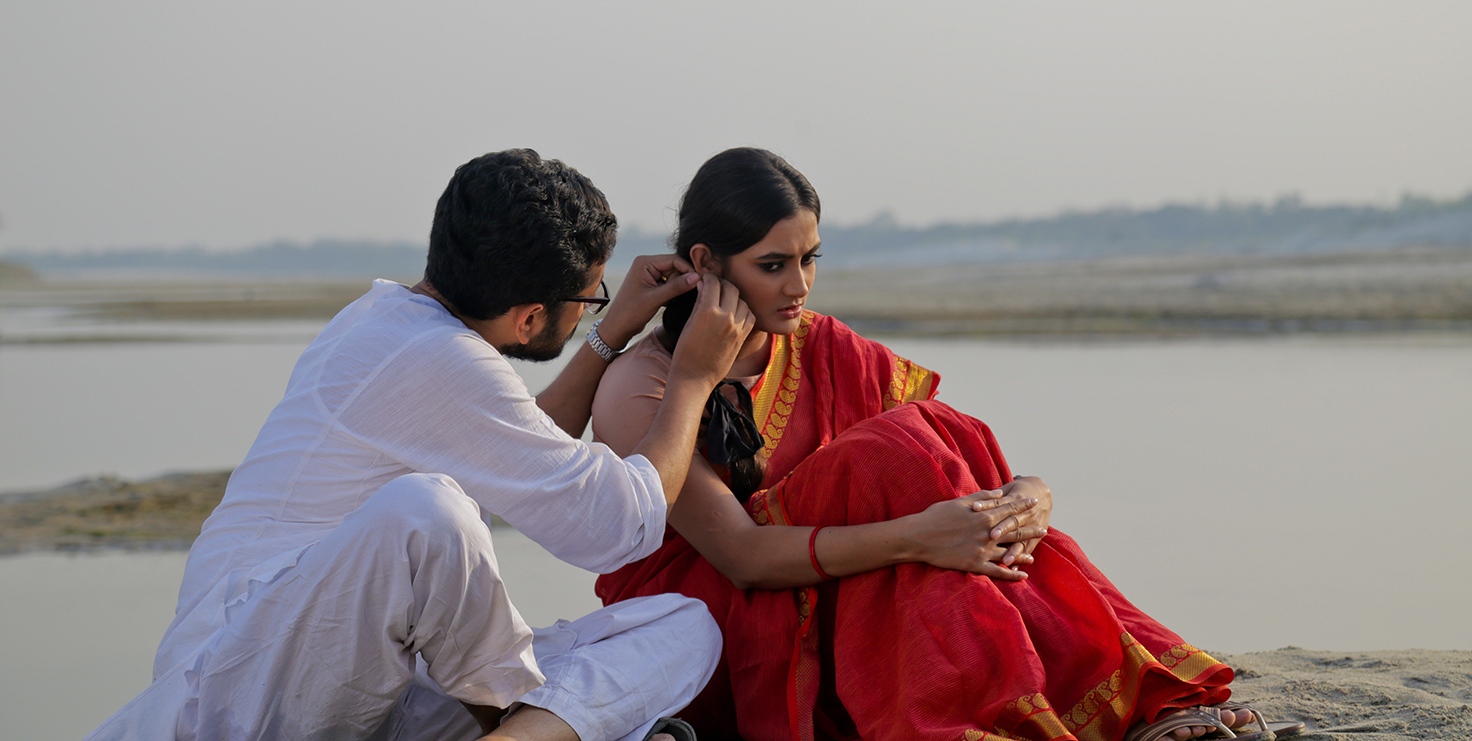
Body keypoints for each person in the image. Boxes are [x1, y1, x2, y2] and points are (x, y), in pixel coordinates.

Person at [590, 148, 1304, 741]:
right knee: (888, 455)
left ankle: (1108, 703)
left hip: (841, 584)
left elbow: (949, 458)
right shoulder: (640, 388)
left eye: (810, 258)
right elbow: (743, 557)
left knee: (935, 449)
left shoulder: (821, 345)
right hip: (718, 625)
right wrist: (919, 537)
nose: (800, 285)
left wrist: (1028, 498)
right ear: (706, 262)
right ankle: (1058, 711)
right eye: (773, 265)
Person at [85, 149, 757, 741]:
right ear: (528, 317)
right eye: (588, 296)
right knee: (428, 510)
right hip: (250, 691)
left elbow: (524, 449)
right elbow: (621, 523)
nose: (591, 309)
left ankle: (517, 732)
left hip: (364, 678)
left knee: (683, 626)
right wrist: (693, 376)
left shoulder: (386, 318)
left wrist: (609, 332)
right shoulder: (442, 358)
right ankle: (527, 729)